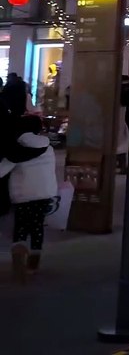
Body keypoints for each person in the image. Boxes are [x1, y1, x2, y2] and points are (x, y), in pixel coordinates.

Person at [0, 115, 57, 284]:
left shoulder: (17, 149)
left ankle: (18, 260)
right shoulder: (48, 147)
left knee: (21, 227)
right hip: (44, 193)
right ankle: (33, 264)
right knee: (37, 226)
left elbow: (1, 171)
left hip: (23, 195)